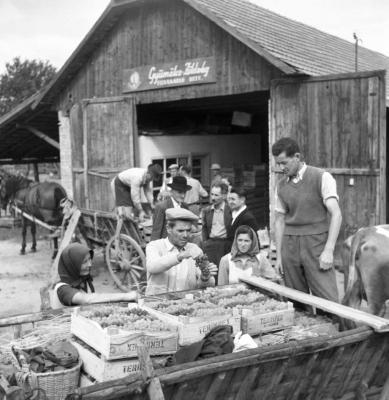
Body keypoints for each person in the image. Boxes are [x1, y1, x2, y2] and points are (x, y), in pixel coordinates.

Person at [272, 137, 342, 303]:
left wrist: (329, 250)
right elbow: (279, 220)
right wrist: (280, 257)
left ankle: (337, 328)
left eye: (284, 162)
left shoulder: (321, 177)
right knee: (296, 300)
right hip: (290, 247)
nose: (281, 168)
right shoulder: (281, 185)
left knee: (328, 300)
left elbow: (336, 214)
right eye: (278, 164)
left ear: (297, 156)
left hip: (316, 245)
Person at [145, 208, 218, 295]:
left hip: (185, 304)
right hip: (156, 303)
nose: (185, 235)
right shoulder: (155, 246)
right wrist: (179, 256)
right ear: (168, 229)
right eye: (180, 231)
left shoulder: (195, 249)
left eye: (188, 230)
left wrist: (205, 277)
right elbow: (152, 267)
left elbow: (205, 286)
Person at [50, 243, 138, 308]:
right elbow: (86, 299)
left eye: (89, 260)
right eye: (84, 262)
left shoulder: (80, 281)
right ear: (72, 265)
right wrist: (125, 296)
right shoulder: (63, 289)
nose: (89, 264)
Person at [202, 182, 232, 282]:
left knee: (224, 271)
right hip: (211, 244)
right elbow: (204, 228)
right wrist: (205, 243)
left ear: (224, 196)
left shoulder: (230, 210)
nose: (213, 198)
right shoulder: (207, 211)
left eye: (216, 195)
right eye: (212, 194)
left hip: (225, 245)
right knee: (211, 271)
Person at [150, 176, 191, 241]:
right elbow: (156, 231)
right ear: (172, 191)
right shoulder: (162, 207)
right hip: (166, 246)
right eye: (179, 192)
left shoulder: (185, 207)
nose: (183, 195)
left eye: (184, 192)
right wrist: (153, 248)